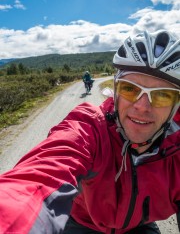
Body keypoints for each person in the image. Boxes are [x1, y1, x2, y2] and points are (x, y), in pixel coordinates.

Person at [0, 29, 179, 234]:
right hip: (81, 223)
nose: (142, 106)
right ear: (116, 91)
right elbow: (37, 181)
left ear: (176, 106)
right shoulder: (89, 127)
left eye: (162, 95)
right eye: (130, 89)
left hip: (137, 227)